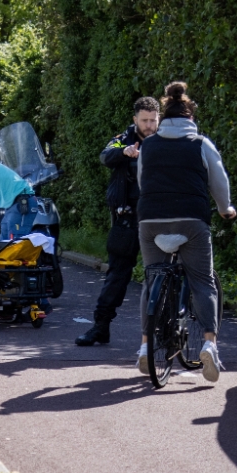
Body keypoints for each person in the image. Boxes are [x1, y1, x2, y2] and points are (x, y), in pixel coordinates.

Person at [137, 81, 236, 382]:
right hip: (191, 221)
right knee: (203, 281)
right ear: (190, 118)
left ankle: (144, 348)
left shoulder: (148, 145)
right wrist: (225, 208)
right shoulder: (200, 144)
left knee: (152, 277)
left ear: (163, 119)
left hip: (150, 221)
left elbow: (143, 181)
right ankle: (209, 343)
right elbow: (219, 181)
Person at [76, 97, 160, 346]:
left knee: (162, 273)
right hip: (128, 218)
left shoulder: (166, 141)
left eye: (153, 120)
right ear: (135, 120)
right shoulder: (123, 137)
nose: (149, 125)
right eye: (144, 120)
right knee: (117, 275)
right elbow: (105, 155)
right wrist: (124, 152)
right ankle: (100, 326)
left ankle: (165, 331)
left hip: (157, 216)